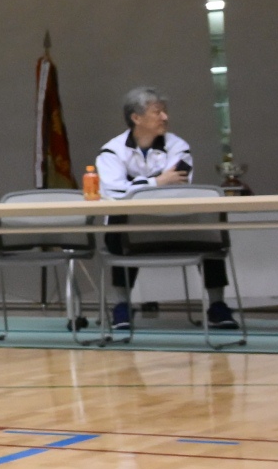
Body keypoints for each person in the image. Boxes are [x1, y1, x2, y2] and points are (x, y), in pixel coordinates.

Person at [95, 86, 234, 332]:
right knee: (118, 223)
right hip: (131, 230)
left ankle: (217, 305)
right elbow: (114, 193)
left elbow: (179, 189)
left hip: (175, 224)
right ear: (136, 118)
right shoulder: (111, 151)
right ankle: (122, 306)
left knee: (210, 229)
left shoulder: (178, 146)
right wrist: (157, 182)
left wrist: (135, 187)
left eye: (165, 111)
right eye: (157, 112)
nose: (165, 117)